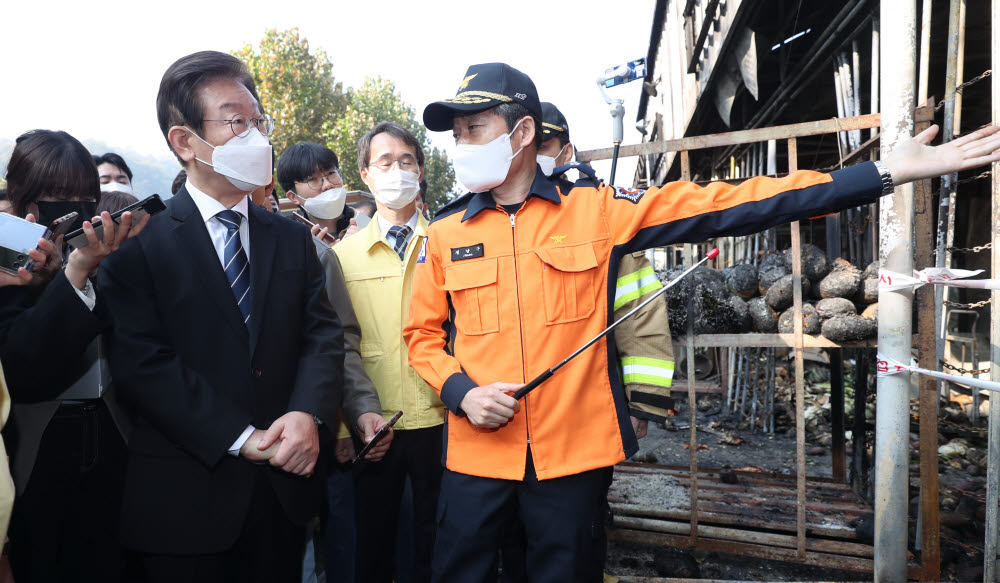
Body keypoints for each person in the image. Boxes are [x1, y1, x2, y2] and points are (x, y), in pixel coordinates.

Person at [404, 62, 1000, 582]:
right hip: (477, 456)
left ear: (524, 131)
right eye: (457, 134)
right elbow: (421, 336)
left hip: (571, 458)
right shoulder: (445, 233)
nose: (460, 144)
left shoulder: (599, 212)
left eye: (473, 130)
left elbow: (736, 202)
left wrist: (885, 173)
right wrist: (462, 393)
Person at [97, 50, 343, 581]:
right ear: (184, 141)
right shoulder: (138, 243)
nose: (256, 135)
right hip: (184, 503)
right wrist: (240, 436)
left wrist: (307, 413)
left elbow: (322, 336)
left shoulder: (291, 237)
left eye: (259, 121)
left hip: (284, 495)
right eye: (236, 121)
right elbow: (143, 365)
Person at [0, 129, 149, 582]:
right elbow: (22, 365)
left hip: (112, 435)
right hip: (33, 446)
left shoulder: (105, 243)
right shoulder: (9, 247)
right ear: (26, 196)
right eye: (57, 196)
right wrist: (68, 277)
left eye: (84, 195)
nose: (74, 208)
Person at [277, 140, 393, 583]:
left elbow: (346, 337)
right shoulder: (297, 245)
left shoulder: (366, 230)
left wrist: (354, 418)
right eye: (314, 178)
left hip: (354, 409)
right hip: (307, 415)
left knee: (347, 527)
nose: (328, 185)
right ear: (291, 194)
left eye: (331, 174)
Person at [334, 121, 443, 583]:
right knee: (372, 543)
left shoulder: (448, 243)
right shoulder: (343, 255)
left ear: (420, 171)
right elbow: (337, 345)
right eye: (385, 162)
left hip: (442, 419)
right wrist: (344, 425)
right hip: (374, 425)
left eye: (407, 161)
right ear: (365, 173)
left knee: (437, 542)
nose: (397, 170)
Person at [280, 142, 355, 243]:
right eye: (312, 179)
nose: (327, 185)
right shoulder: (288, 239)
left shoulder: (370, 219)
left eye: (331, 173)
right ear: (293, 197)